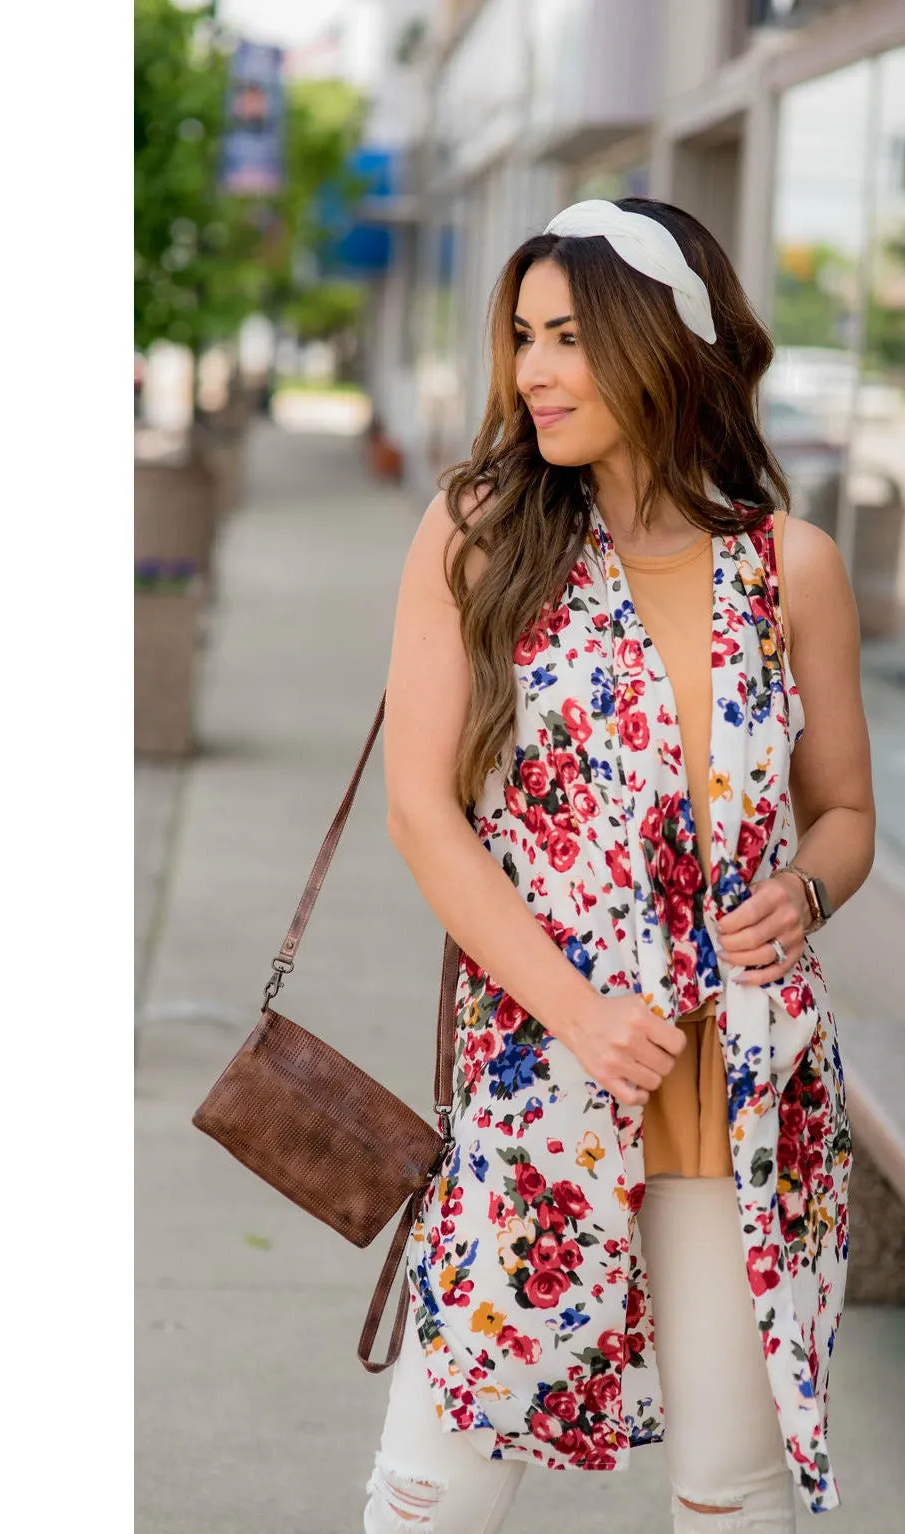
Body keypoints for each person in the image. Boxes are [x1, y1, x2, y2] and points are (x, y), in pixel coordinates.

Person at [364, 198, 875, 1533]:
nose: (531, 370)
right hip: (543, 1067)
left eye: (569, 337)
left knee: (730, 1495)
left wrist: (804, 889)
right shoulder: (481, 534)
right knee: (433, 1488)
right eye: (521, 337)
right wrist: (579, 1013)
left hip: (739, 1090)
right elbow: (422, 808)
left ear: (663, 343)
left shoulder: (788, 571)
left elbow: (847, 815)